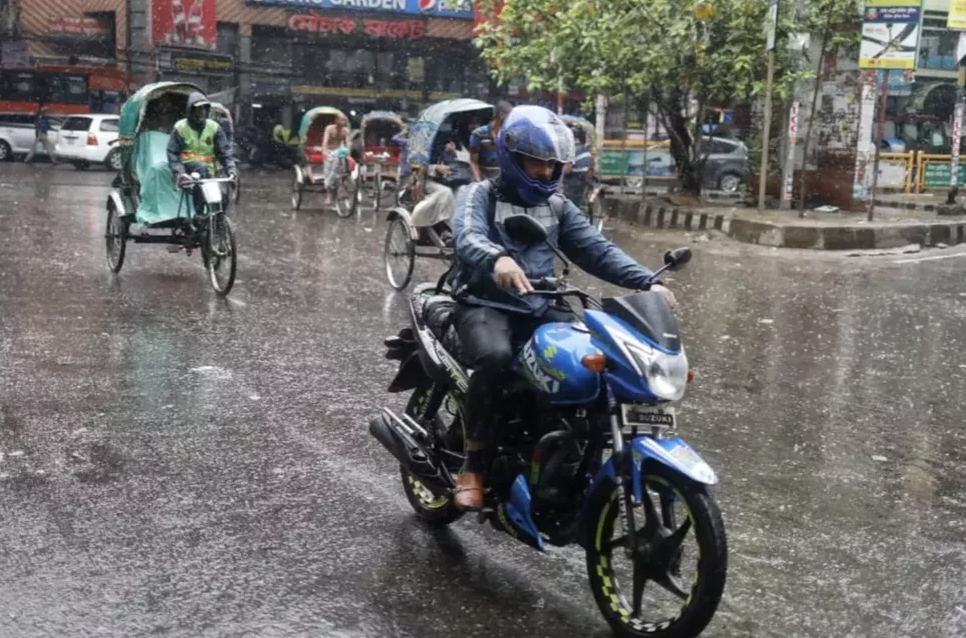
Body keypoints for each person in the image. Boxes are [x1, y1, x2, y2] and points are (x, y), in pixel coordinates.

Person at [448, 106, 677, 511]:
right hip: (485, 303)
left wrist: (647, 281)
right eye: (537, 164)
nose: (545, 174)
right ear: (512, 158)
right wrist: (496, 259)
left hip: (539, 304)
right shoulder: (478, 194)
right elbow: (466, 237)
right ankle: (474, 462)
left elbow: (596, 249)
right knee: (496, 358)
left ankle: (566, 454)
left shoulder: (556, 207)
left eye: (553, 166)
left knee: (594, 362)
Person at [167, 92, 236, 216]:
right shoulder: (180, 127)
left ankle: (219, 220)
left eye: (204, 108)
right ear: (191, 111)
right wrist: (179, 173)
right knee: (201, 169)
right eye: (198, 109)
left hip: (210, 171)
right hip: (189, 171)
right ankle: (199, 214)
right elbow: (173, 154)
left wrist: (231, 169)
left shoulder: (214, 128)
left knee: (223, 194)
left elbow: (225, 152)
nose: (202, 112)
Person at [410, 137, 472, 239]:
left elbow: (470, 159)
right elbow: (416, 168)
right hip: (427, 181)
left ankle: (461, 228)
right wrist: (435, 168)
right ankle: (445, 228)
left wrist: (454, 152)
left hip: (451, 180)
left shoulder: (461, 142)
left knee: (464, 191)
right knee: (445, 192)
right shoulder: (424, 146)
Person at [469, 101, 512, 182]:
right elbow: (473, 162)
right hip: (484, 180)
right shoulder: (478, 134)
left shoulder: (509, 135)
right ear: (501, 114)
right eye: (510, 116)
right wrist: (479, 183)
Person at [320, 113, 351, 205]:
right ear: (336, 120)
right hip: (329, 151)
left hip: (339, 152)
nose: (343, 122)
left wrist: (348, 152)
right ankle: (328, 195)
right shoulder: (329, 128)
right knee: (329, 174)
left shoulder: (345, 130)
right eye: (341, 120)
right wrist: (325, 151)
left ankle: (338, 190)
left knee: (340, 173)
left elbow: (348, 142)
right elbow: (325, 141)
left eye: (344, 120)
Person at [562, 123, 594, 207]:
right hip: (582, 182)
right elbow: (591, 167)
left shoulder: (572, 150)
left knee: (570, 206)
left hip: (572, 183)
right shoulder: (586, 149)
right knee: (578, 204)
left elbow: (567, 170)